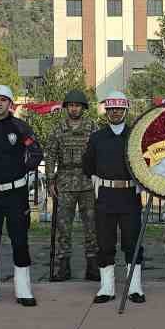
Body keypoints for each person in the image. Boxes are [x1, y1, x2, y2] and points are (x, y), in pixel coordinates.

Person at [0, 84, 44, 306]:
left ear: (10, 104)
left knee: (19, 240)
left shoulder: (21, 127)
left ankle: (23, 288)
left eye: (4, 99)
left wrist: (23, 169)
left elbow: (36, 152)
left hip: (16, 194)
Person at [83, 91, 143, 303]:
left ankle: (134, 287)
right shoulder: (97, 137)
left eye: (119, 109)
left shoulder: (136, 136)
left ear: (125, 110)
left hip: (129, 196)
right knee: (105, 242)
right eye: (111, 109)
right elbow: (88, 166)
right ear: (106, 112)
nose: (115, 113)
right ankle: (106, 288)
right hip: (106, 196)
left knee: (132, 242)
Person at [46, 89, 98, 282]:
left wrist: (98, 176)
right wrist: (50, 179)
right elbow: (50, 154)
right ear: (66, 108)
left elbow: (98, 153)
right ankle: (63, 267)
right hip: (65, 183)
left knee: (91, 227)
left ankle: (93, 266)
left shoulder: (92, 127)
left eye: (77, 105)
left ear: (83, 107)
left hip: (87, 182)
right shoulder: (58, 129)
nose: (74, 109)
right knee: (63, 227)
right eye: (71, 105)